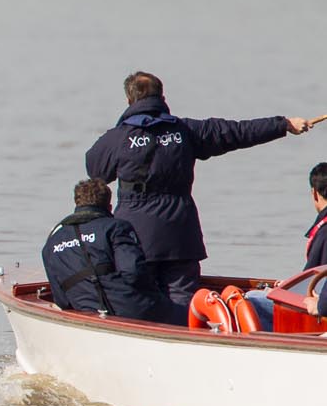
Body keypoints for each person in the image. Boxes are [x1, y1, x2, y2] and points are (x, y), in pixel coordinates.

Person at [84, 71, 316, 315]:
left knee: (139, 301)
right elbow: (236, 132)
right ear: (162, 97)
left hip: (135, 235)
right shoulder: (185, 130)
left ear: (129, 101)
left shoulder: (117, 138)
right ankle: (188, 340)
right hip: (180, 234)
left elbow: (95, 170)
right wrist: (283, 124)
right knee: (184, 304)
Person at [41, 178, 168, 323]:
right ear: (109, 207)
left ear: (77, 204)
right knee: (184, 309)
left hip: (85, 314)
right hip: (133, 312)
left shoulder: (52, 241)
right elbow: (134, 273)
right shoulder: (116, 227)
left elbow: (62, 300)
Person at [244, 161, 327, 325]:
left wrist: (320, 305)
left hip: (317, 307)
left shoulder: (324, 230)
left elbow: (314, 278)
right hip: (319, 297)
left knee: (250, 298)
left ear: (315, 194)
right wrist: (289, 286)